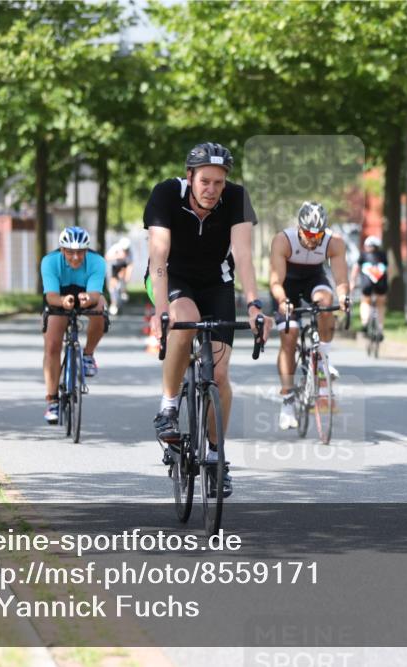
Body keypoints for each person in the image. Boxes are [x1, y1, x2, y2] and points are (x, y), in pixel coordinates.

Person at [143, 142, 268, 497]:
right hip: (172, 277)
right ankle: (168, 407)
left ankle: (215, 456)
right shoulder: (166, 194)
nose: (212, 190)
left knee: (220, 373)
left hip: (216, 282)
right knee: (186, 319)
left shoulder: (237, 198)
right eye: (205, 181)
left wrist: (254, 305)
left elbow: (243, 255)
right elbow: (159, 255)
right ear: (190, 177)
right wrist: (162, 310)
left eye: (218, 182)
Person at [269, 202, 350, 430]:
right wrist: (283, 301)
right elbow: (275, 281)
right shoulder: (283, 240)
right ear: (299, 228)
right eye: (309, 234)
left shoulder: (334, 242)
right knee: (290, 335)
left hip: (314, 279)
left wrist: (344, 297)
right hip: (286, 285)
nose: (314, 239)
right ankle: (287, 400)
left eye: (318, 234)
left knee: (326, 303)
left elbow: (341, 280)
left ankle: (323, 359)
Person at [40, 226, 107, 423]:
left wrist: (88, 299)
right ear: (62, 250)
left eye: (80, 252)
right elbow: (51, 296)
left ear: (87, 250)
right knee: (52, 346)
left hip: (86, 294)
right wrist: (63, 301)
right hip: (59, 297)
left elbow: (95, 294)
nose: (76, 257)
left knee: (100, 309)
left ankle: (88, 355)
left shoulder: (97, 261)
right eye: (70, 252)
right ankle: (52, 400)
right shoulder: (50, 261)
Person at [351, 235, 388, 337]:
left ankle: (365, 322)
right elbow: (388, 269)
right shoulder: (383, 255)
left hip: (366, 284)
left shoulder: (363, 255)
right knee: (380, 304)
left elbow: (355, 268)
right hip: (381, 284)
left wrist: (353, 282)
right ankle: (380, 328)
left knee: (365, 301)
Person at [105, 237, 134, 315]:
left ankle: (123, 290)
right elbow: (107, 257)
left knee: (122, 280)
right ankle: (114, 303)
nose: (125, 251)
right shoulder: (115, 248)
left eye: (126, 249)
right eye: (124, 249)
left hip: (123, 266)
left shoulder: (130, 251)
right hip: (114, 266)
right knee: (112, 286)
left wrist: (127, 277)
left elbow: (130, 265)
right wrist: (118, 256)